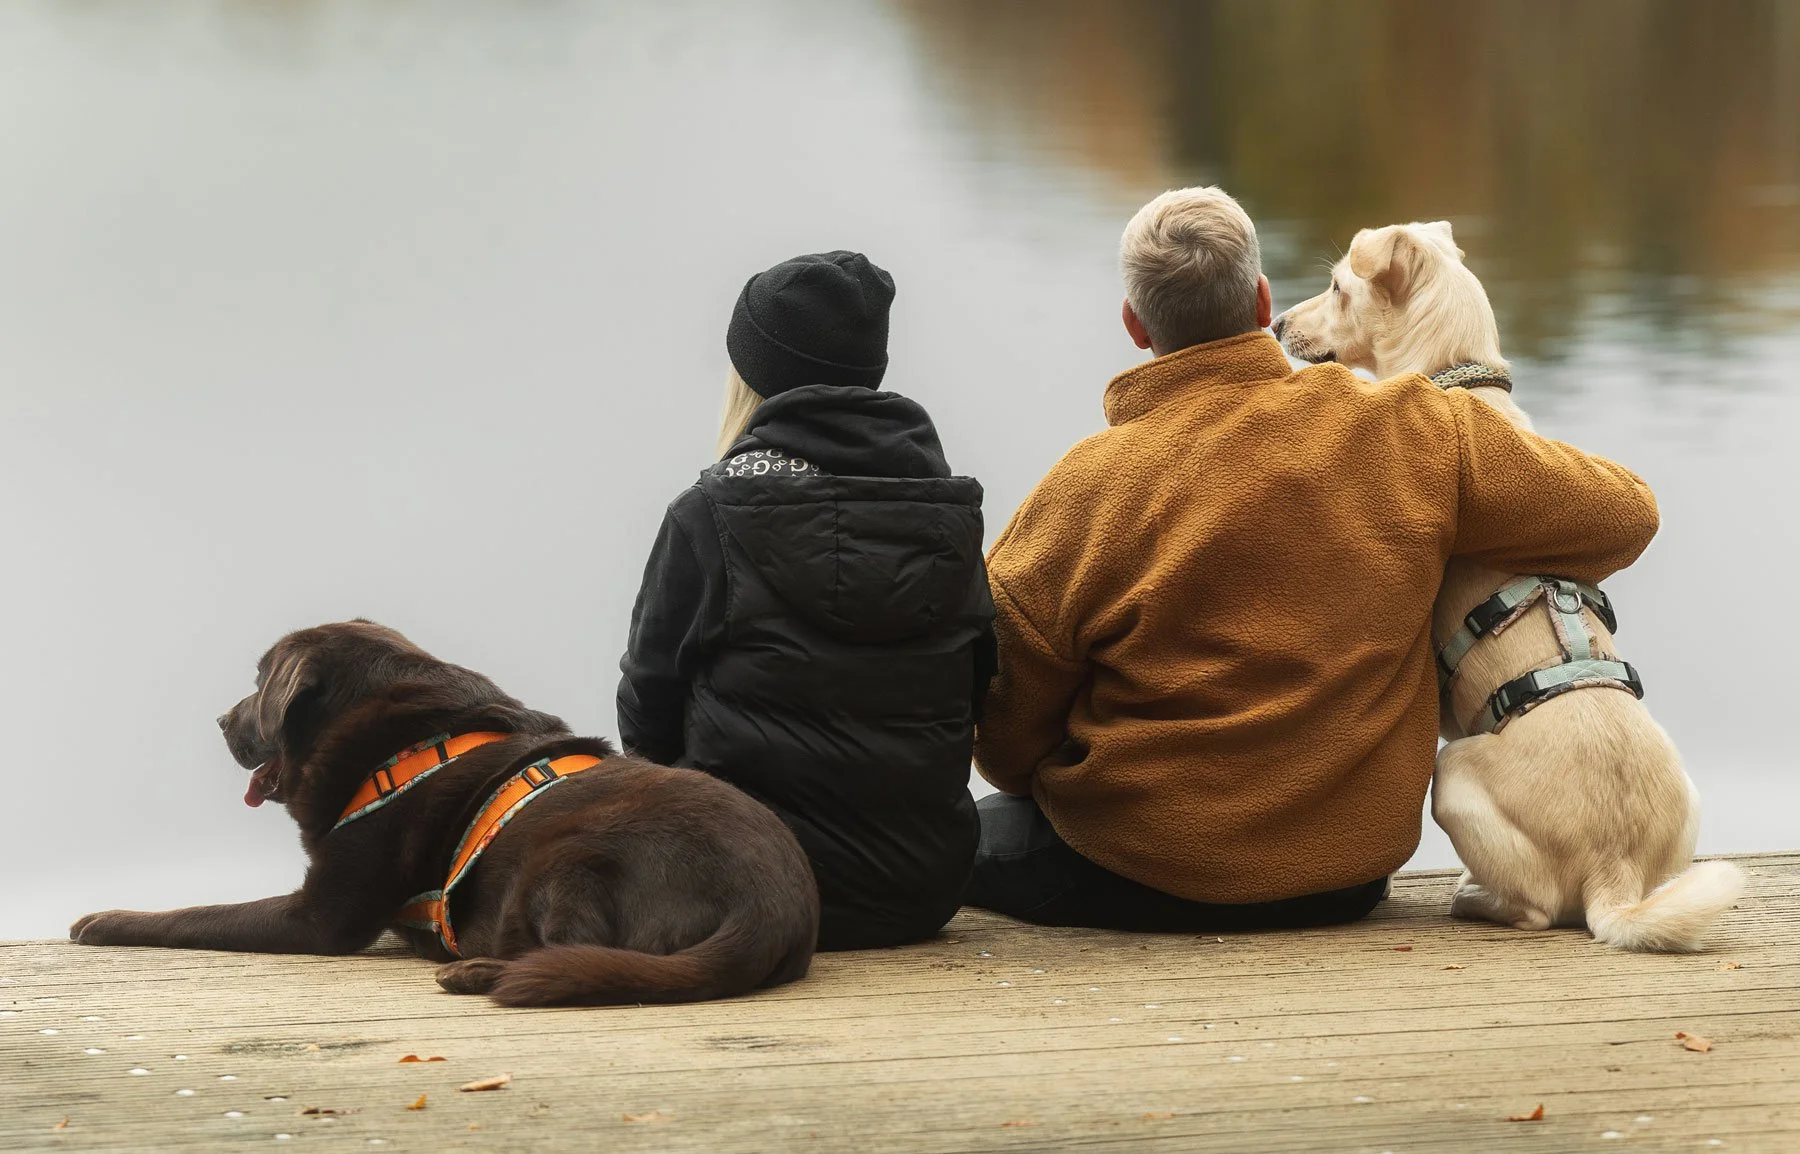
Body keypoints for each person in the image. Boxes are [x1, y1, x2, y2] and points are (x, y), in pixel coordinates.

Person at [968, 187, 1660, 931]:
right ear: (1262, 300)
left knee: (949, 834)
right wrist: (1439, 525)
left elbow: (1005, 737)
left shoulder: (1082, 489)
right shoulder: (1412, 429)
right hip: (1345, 875)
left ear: (1135, 325)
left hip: (1136, 867)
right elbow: (1626, 515)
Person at [618, 250, 995, 950]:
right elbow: (976, 693)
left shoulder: (712, 513)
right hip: (919, 894)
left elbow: (647, 710)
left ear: (754, 374)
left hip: (744, 889)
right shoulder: (947, 513)